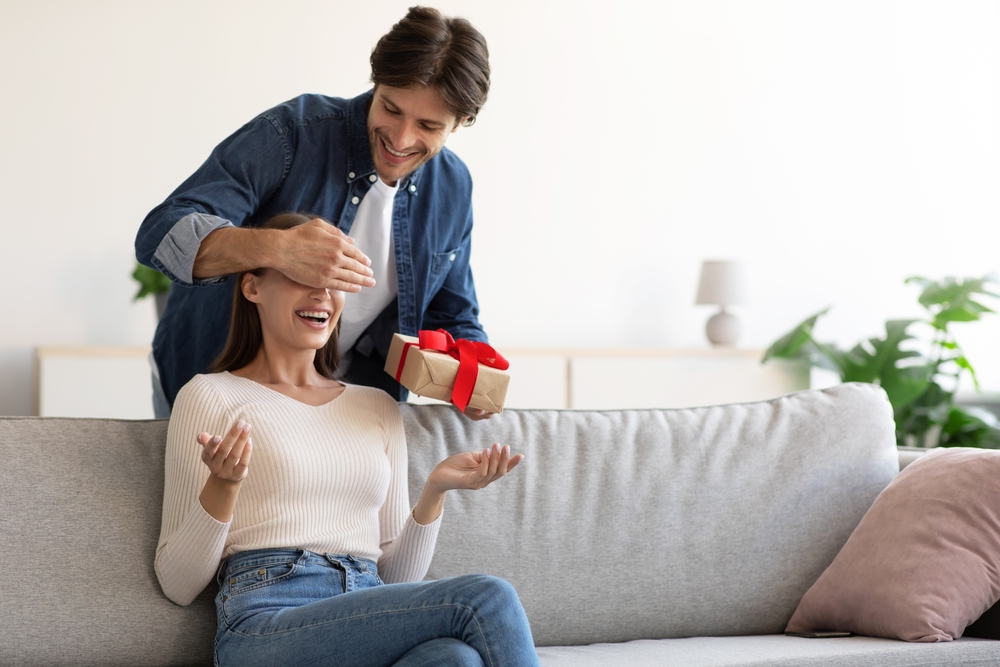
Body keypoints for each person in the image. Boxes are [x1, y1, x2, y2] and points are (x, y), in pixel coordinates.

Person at [155, 211, 539, 667]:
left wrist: (433, 492)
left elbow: (394, 581)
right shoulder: (210, 394)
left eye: (336, 279)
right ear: (252, 286)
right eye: (304, 274)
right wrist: (223, 486)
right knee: (486, 597)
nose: (322, 294)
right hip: (265, 626)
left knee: (454, 659)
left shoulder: (376, 405)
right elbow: (177, 584)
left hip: (361, 613)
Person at [135, 6, 493, 419]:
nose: (400, 138)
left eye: (428, 126)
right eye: (391, 109)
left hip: (346, 407)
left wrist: (476, 376)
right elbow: (160, 232)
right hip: (211, 385)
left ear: (460, 122)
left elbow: (453, 315)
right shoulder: (295, 134)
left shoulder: (453, 187)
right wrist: (276, 249)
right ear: (376, 82)